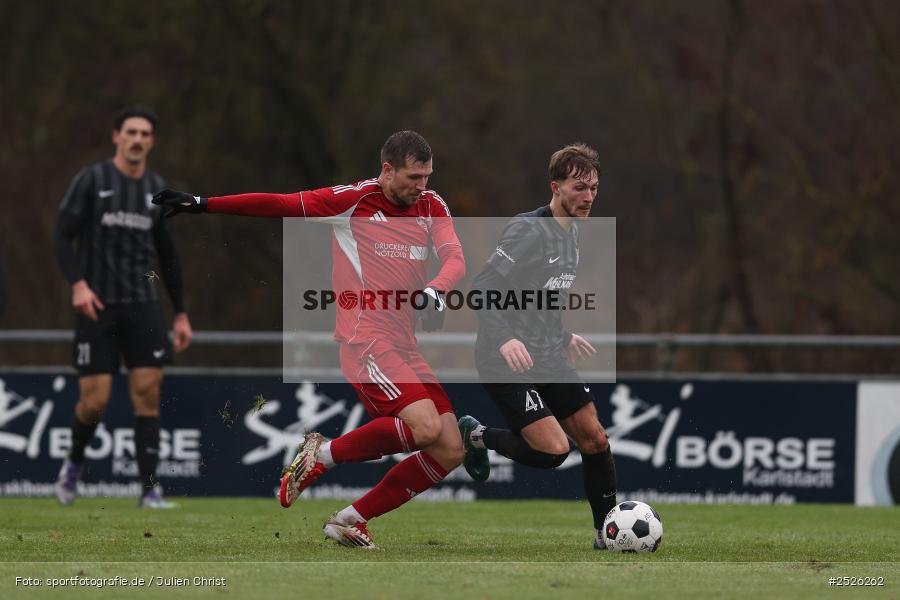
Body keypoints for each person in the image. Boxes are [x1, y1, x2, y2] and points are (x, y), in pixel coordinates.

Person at [153, 130, 466, 549]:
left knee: (449, 450)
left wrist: (435, 289)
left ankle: (349, 520)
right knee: (426, 427)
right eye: (413, 177)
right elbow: (281, 204)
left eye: (427, 176)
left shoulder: (432, 204)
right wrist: (204, 203)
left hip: (405, 344)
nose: (421, 186)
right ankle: (323, 455)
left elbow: (455, 257)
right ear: (387, 170)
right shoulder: (353, 200)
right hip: (366, 340)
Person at [458, 143, 618, 550]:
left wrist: (562, 336)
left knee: (596, 439)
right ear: (555, 186)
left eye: (594, 188)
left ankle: (607, 534)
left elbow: (538, 295)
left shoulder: (574, 234)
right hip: (504, 357)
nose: (589, 197)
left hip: (547, 352)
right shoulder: (528, 229)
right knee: (552, 451)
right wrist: (506, 337)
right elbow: (483, 287)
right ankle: (476, 436)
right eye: (580, 187)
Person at [53, 107, 193, 509]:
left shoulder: (156, 188)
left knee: (147, 394)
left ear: (152, 142)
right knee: (94, 400)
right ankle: (73, 467)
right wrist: (78, 285)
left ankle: (149, 489)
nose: (136, 139)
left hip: (143, 307)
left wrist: (180, 311)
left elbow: (168, 257)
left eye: (144, 133)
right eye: (130, 131)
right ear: (116, 136)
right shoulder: (91, 180)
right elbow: (62, 236)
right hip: (96, 306)